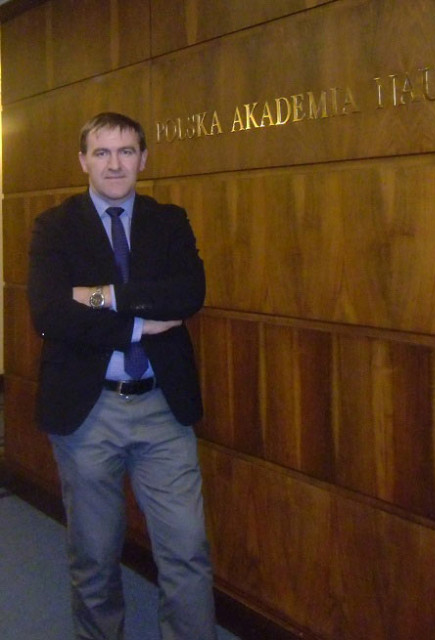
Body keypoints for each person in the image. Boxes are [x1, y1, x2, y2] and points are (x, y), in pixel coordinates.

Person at [27, 112, 217, 640]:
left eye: (127, 151)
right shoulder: (54, 227)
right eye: (103, 152)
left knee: (187, 551)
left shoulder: (169, 220)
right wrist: (140, 324)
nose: (115, 164)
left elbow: (188, 296)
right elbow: (49, 313)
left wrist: (103, 297)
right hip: (89, 413)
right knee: (94, 559)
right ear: (83, 160)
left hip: (162, 409)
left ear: (143, 159)